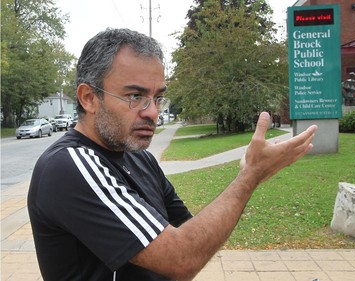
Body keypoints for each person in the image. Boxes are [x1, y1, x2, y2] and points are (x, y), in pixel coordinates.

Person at [28, 28, 317, 281]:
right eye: (134, 96)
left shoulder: (139, 158)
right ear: (89, 98)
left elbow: (193, 236)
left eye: (157, 97)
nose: (152, 112)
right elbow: (181, 258)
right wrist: (250, 176)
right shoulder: (69, 167)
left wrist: (247, 175)